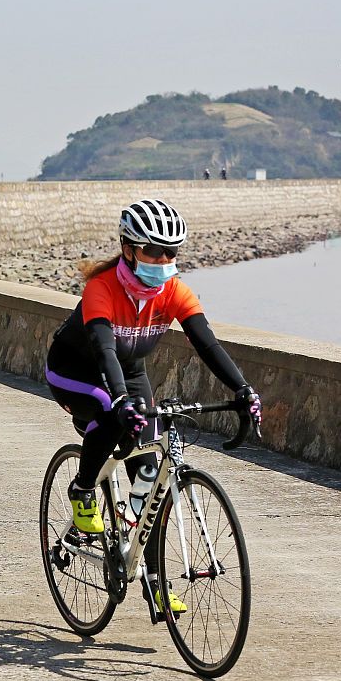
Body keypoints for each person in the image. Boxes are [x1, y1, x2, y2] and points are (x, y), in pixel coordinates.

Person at [44, 199, 262, 614]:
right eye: (154, 251)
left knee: (150, 482)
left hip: (129, 372)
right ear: (129, 249)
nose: (164, 260)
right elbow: (103, 348)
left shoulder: (173, 290)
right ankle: (83, 488)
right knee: (110, 408)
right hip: (75, 372)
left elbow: (207, 344)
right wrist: (122, 400)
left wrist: (243, 390)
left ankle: (154, 582)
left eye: (171, 252)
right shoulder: (102, 287)